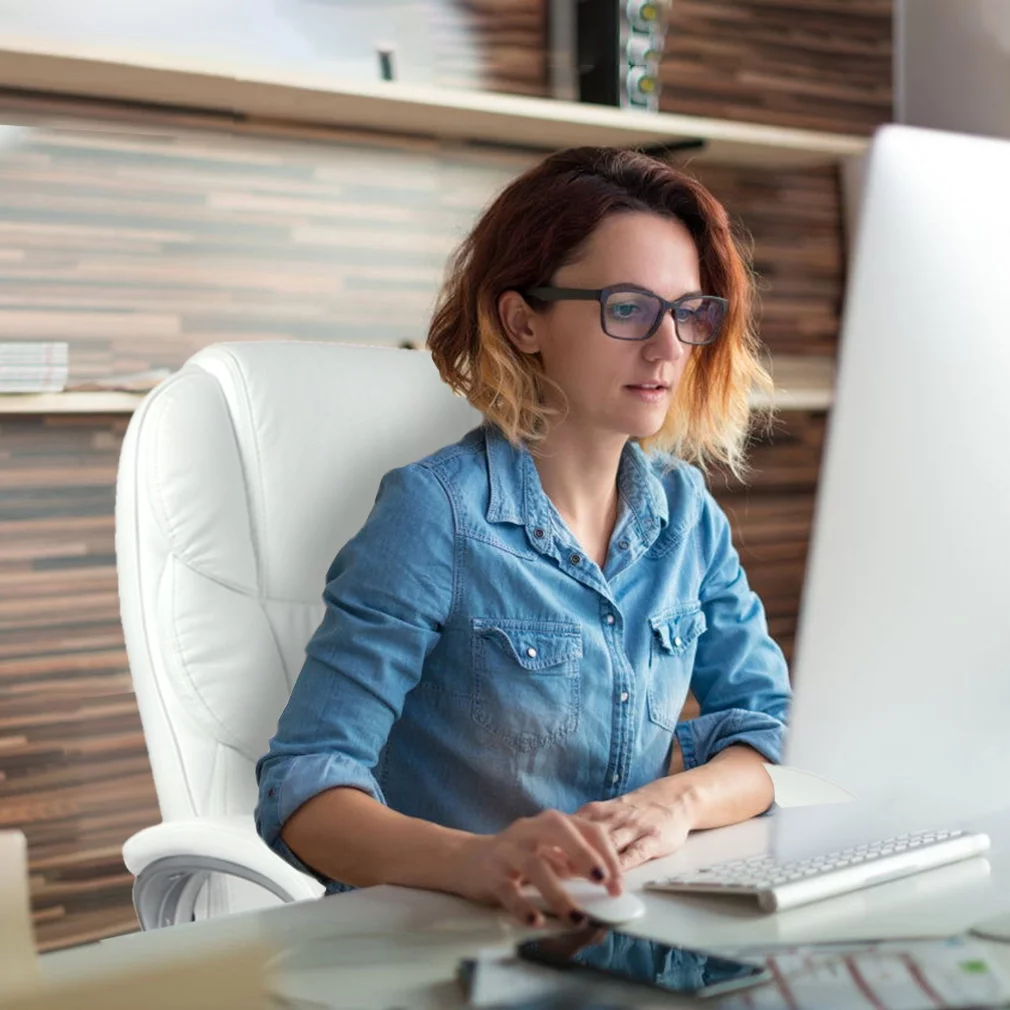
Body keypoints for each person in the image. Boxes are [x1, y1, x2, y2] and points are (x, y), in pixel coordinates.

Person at [256, 146, 791, 927]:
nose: (669, 346)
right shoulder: (434, 513)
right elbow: (306, 785)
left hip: (615, 929)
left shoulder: (688, 516)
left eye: (689, 312)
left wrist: (678, 801)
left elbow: (763, 735)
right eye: (629, 308)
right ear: (523, 320)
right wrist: (475, 860)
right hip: (444, 939)